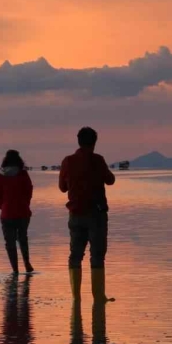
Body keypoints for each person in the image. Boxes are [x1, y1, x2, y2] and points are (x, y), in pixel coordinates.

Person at [58, 126, 115, 302]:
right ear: (94, 143)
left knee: (75, 255)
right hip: (96, 215)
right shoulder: (98, 160)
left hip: (75, 214)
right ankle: (98, 296)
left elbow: (62, 188)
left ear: (79, 141)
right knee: (97, 255)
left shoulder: (68, 161)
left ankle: (76, 298)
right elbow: (110, 180)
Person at [0, 149, 35, 274]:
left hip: (7, 213)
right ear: (19, 161)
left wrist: (2, 206)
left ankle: (15, 269)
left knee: (10, 242)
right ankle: (27, 264)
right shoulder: (23, 174)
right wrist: (25, 204)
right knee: (23, 238)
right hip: (23, 212)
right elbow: (29, 191)